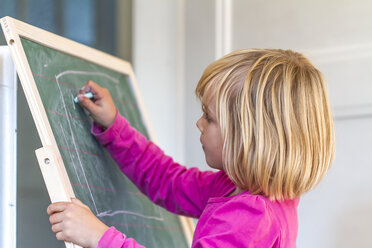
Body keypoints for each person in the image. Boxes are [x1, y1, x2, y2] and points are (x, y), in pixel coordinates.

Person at [47, 49, 335, 248]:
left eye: (209, 117)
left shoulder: (250, 217)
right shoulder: (243, 189)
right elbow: (169, 181)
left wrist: (99, 237)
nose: (199, 123)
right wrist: (115, 127)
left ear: (250, 137)